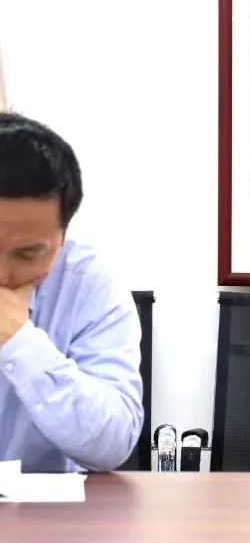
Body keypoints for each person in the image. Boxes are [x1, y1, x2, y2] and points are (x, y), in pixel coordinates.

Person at [0, 112, 143, 472]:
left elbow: (113, 443)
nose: (3, 275)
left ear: (62, 238)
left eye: (27, 254)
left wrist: (19, 341)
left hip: (46, 506)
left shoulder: (89, 282)